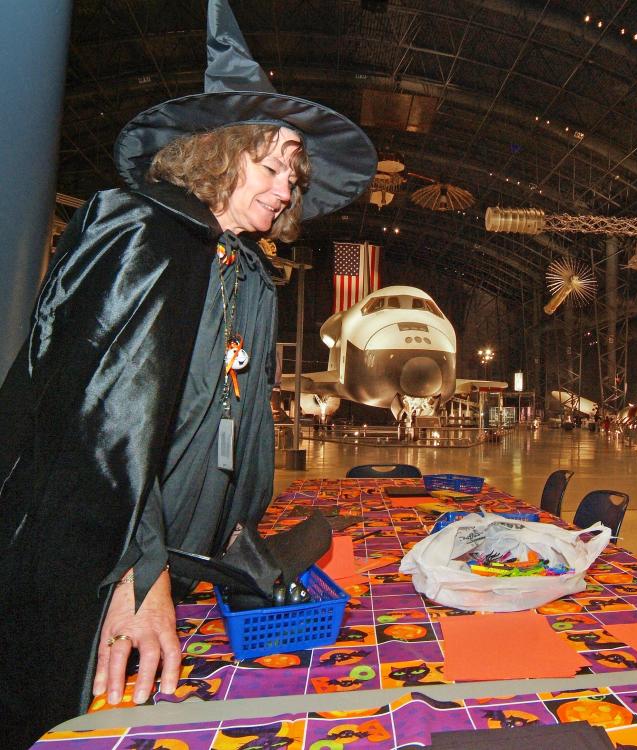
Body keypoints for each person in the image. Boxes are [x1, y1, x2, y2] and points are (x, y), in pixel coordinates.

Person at [0, 2, 375, 747]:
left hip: (184, 566)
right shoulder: (141, 235)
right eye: (269, 165)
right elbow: (98, 427)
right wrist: (137, 576)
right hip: (95, 568)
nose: (283, 189)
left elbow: (227, 420)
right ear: (215, 152)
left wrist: (235, 532)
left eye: (293, 177)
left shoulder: (242, 270)